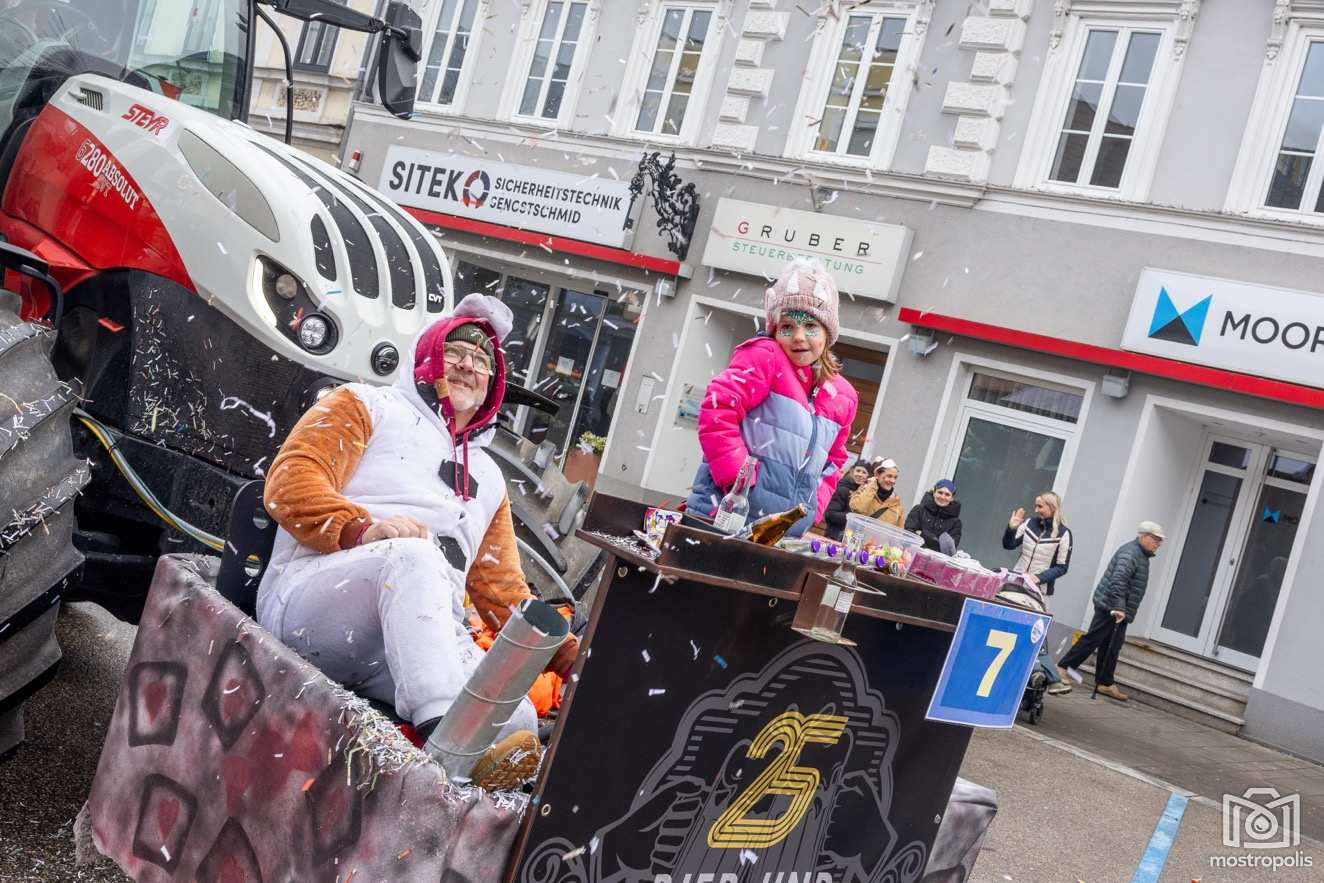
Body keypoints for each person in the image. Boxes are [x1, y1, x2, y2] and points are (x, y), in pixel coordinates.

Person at [255, 293, 579, 790]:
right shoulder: (364, 404)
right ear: (428, 358)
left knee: (513, 718)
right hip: (315, 607)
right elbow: (289, 482)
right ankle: (441, 752)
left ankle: (458, 792)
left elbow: (501, 590)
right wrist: (361, 529)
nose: (468, 366)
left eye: (482, 361)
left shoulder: (491, 478)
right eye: (456, 353)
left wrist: (570, 658)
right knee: (414, 557)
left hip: (408, 643)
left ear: (493, 385)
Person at [686, 257, 859, 537]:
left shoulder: (843, 396)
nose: (798, 337)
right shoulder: (765, 357)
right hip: (725, 517)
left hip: (783, 530)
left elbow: (834, 460)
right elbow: (718, 408)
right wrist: (738, 480)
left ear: (827, 334)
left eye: (811, 326)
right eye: (787, 327)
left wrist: (812, 506)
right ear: (775, 330)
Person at [1057, 522, 1165, 702]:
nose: (1158, 544)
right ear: (1144, 535)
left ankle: (1105, 682)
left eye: (1160, 540)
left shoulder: (1141, 555)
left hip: (1119, 609)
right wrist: (1119, 608)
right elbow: (1118, 580)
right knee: (1093, 639)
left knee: (1112, 645)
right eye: (1156, 539)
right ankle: (1063, 668)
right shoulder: (1130, 553)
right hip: (1111, 607)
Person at [1004, 492, 1073, 694]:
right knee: (1012, 628)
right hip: (1017, 584)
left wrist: (1039, 577)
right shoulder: (1029, 524)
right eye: (1036, 506)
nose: (1036, 510)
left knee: (1035, 634)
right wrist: (1011, 528)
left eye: (1040, 506)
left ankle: (1045, 676)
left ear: (1052, 507)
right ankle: (1040, 675)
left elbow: (1062, 567)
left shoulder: (1064, 533)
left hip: (1040, 591)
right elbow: (1008, 545)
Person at [905, 479, 962, 553]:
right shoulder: (919, 510)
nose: (942, 497)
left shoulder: (956, 523)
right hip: (912, 554)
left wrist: (923, 534)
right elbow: (909, 534)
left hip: (937, 560)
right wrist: (937, 543)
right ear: (934, 492)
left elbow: (949, 550)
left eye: (947, 494)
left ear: (952, 498)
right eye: (940, 492)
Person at [822, 459, 871, 540]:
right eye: (858, 471)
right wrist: (853, 517)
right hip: (834, 537)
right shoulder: (842, 489)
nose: (860, 474)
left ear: (868, 476)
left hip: (851, 539)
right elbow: (830, 515)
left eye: (864, 472)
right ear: (852, 471)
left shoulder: (865, 494)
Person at [849, 458, 904, 527]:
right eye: (889, 476)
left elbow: (899, 530)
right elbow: (858, 509)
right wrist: (872, 484)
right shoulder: (863, 491)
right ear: (877, 475)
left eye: (895, 477)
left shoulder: (897, 505)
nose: (893, 481)